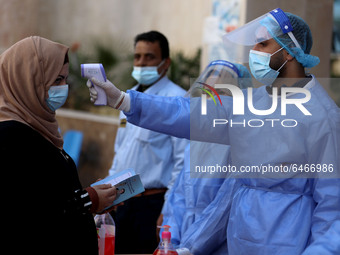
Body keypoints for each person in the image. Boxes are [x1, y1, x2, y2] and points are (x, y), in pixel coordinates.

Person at [87, 9, 340, 254]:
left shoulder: (322, 117)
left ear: (289, 52)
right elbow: (188, 112)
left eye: (262, 44)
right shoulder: (252, 103)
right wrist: (125, 101)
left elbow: (333, 209)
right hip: (240, 240)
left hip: (289, 245)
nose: (253, 52)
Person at [0, 36, 117, 255]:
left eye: (65, 79)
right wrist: (89, 199)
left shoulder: (38, 129)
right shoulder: (9, 137)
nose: (64, 88)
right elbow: (29, 215)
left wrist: (95, 197)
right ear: (27, 80)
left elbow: (50, 195)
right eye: (56, 80)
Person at [87, 31, 188, 254]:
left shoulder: (177, 100)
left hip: (153, 205)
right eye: (138, 57)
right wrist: (108, 192)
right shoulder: (126, 97)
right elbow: (120, 149)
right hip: (121, 201)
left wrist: (168, 210)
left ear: (165, 63)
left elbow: (182, 162)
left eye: (149, 57)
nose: (142, 63)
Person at [161, 60, 252, 255]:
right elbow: (178, 199)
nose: (211, 99)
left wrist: (187, 249)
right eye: (207, 92)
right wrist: (170, 241)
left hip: (216, 245)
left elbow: (221, 213)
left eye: (221, 93)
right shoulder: (195, 140)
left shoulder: (241, 145)